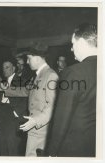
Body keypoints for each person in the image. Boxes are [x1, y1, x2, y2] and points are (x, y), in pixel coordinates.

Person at [0, 43, 59, 156]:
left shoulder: (51, 75)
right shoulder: (37, 75)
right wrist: (4, 90)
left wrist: (35, 121)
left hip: (40, 130)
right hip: (34, 128)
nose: (27, 62)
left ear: (37, 58)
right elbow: (25, 91)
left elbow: (52, 106)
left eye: (29, 59)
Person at [46, 23, 97, 157]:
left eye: (73, 43)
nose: (72, 49)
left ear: (81, 42)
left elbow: (63, 116)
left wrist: (52, 152)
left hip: (74, 147)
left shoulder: (74, 72)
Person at [0, 58, 29, 156]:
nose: (4, 70)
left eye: (7, 67)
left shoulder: (22, 81)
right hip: (3, 117)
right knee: (3, 147)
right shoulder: (3, 81)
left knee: (13, 148)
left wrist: (17, 114)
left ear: (14, 68)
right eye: (3, 68)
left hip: (13, 117)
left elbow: (26, 98)